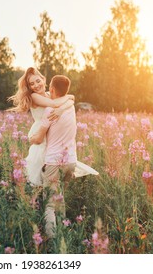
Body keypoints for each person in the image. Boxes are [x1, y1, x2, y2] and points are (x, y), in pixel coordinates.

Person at [29, 75, 97, 238]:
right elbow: (70, 99)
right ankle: (63, 233)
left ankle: (52, 239)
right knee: (60, 199)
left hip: (54, 163)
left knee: (50, 205)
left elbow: (38, 138)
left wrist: (30, 138)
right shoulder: (69, 107)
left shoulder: (49, 111)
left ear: (51, 89)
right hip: (70, 163)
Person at [8, 67, 75, 186]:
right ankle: (35, 196)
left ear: (43, 79)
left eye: (38, 81)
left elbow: (71, 100)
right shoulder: (35, 97)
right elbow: (57, 103)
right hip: (41, 132)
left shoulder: (50, 94)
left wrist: (63, 107)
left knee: (52, 166)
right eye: (31, 84)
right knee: (39, 169)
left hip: (51, 132)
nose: (36, 85)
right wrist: (67, 99)